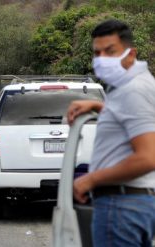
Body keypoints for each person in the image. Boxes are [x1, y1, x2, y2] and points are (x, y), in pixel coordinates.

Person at [67, 20, 155, 247]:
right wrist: (99, 107)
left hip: (121, 206)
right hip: (134, 203)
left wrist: (90, 179)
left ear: (130, 53)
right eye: (97, 53)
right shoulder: (135, 86)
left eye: (110, 51)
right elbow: (134, 123)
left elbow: (148, 157)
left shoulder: (134, 89)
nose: (102, 59)